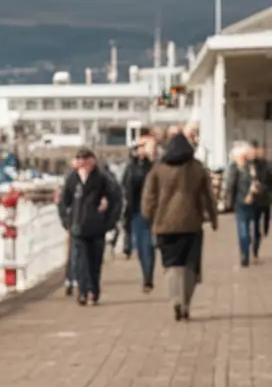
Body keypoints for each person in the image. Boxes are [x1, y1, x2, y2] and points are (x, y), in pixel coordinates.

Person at [142, 130, 217, 320]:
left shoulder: (158, 170)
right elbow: (208, 195)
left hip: (164, 225)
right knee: (190, 265)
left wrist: (150, 217)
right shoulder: (197, 168)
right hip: (192, 224)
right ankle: (186, 302)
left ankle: (175, 298)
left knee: (170, 264)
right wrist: (213, 218)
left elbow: (148, 198)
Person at [58, 147, 122, 306]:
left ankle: (94, 290)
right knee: (81, 261)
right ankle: (83, 292)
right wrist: (67, 222)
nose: (84, 163)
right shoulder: (72, 179)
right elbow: (63, 202)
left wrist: (109, 222)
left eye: (87, 159)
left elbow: (116, 200)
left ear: (93, 161)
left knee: (95, 261)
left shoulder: (102, 179)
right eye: (81, 159)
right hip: (78, 227)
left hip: (97, 228)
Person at [120, 132, 158, 290]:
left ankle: (148, 277)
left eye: (144, 146)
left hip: (154, 211)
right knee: (142, 246)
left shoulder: (156, 166)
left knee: (149, 245)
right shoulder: (131, 167)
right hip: (136, 210)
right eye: (140, 146)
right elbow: (125, 186)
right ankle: (146, 274)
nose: (141, 149)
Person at [222, 142, 264, 266]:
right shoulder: (251, 168)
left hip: (241, 201)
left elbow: (231, 185)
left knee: (243, 228)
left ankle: (245, 253)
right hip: (251, 200)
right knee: (249, 227)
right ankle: (248, 249)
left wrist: (228, 202)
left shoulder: (236, 168)